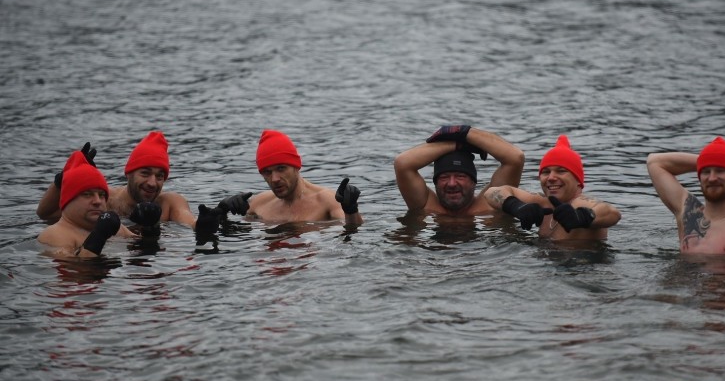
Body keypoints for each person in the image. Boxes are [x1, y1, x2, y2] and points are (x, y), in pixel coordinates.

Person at [36, 132, 248, 243]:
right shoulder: (104, 198)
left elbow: (192, 224)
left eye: (160, 176)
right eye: (145, 173)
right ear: (128, 173)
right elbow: (46, 215)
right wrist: (62, 181)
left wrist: (218, 215)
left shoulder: (170, 202)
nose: (152, 183)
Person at [484, 135, 621, 240]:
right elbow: (491, 193)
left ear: (578, 181)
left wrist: (581, 217)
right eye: (546, 172)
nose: (551, 177)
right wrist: (516, 206)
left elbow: (612, 213)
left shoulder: (581, 204)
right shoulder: (542, 203)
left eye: (561, 171)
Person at [394, 125, 525, 217]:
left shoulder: (491, 203)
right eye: (444, 177)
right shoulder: (425, 204)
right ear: (435, 182)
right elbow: (402, 163)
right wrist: (459, 144)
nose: (452, 183)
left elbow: (515, 158)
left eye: (460, 176)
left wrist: (464, 132)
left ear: (473, 181)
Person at [243, 129, 363, 225]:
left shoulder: (328, 201)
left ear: (296, 166)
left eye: (281, 168)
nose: (275, 179)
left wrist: (351, 210)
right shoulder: (258, 204)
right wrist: (223, 214)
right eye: (267, 172)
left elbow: (352, 234)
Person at [37, 150, 134, 258]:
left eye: (102, 195)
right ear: (68, 200)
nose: (97, 201)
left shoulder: (115, 227)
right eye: (87, 194)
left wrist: (150, 228)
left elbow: (140, 245)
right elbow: (75, 270)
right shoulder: (56, 234)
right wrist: (98, 237)